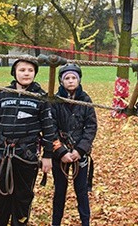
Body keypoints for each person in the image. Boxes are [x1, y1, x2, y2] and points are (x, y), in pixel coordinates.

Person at [0, 57, 57, 226]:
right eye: (22, 70)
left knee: (23, 197)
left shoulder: (41, 97)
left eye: (30, 70)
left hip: (26, 155)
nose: (26, 73)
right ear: (14, 72)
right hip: (2, 154)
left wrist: (48, 155)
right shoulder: (2, 95)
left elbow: (48, 129)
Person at [51, 64, 98, 226]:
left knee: (82, 191)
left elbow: (91, 127)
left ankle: (86, 222)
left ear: (78, 80)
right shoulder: (55, 101)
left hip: (80, 153)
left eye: (73, 78)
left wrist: (80, 149)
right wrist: (61, 151)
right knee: (59, 191)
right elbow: (50, 127)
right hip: (60, 153)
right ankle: (55, 222)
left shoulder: (86, 100)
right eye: (67, 78)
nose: (71, 81)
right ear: (61, 81)